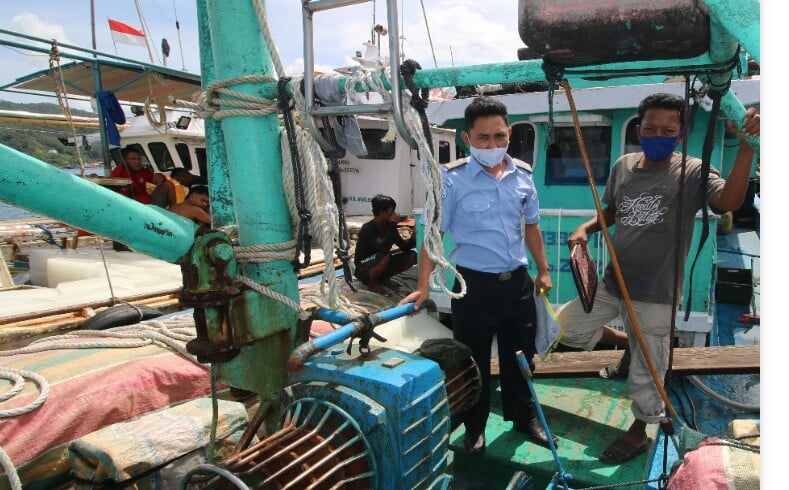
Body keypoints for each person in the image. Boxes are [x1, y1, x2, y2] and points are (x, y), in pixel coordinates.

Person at [555, 93, 760, 465]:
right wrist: (585, 227)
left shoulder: (694, 171)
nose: (658, 135)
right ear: (639, 129)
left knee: (647, 375)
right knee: (566, 328)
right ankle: (628, 341)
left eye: (668, 130)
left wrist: (747, 148)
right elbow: (612, 209)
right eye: (650, 128)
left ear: (680, 135)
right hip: (613, 283)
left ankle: (639, 431)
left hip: (657, 292)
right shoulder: (623, 165)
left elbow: (728, 200)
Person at [400, 96, 555, 455]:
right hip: (473, 289)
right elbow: (433, 235)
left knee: (522, 359)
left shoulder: (523, 176)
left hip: (517, 284)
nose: (493, 145)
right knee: (475, 363)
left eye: (499, 137)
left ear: (509, 134)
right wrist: (423, 286)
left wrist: (543, 270)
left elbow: (531, 227)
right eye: (483, 138)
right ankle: (475, 428)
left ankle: (524, 418)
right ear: (467, 139)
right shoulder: (450, 180)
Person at [353, 194, 417, 291]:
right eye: (392, 212)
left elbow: (405, 247)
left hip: (379, 260)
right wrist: (392, 225)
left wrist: (414, 237)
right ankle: (372, 283)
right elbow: (383, 248)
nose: (395, 215)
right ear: (382, 213)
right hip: (362, 269)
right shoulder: (367, 229)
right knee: (385, 256)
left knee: (412, 255)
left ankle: (384, 279)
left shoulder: (388, 226)